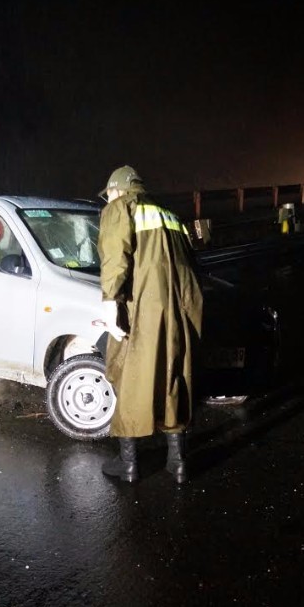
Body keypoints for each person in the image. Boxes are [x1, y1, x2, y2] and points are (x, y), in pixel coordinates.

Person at [96, 166, 204, 484]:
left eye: (110, 194)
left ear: (118, 190)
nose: (109, 198)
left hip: (144, 306)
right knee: (174, 378)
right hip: (182, 306)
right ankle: (178, 463)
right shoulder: (170, 214)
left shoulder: (120, 208)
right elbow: (192, 261)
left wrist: (109, 301)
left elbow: (115, 257)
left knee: (126, 374)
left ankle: (128, 464)